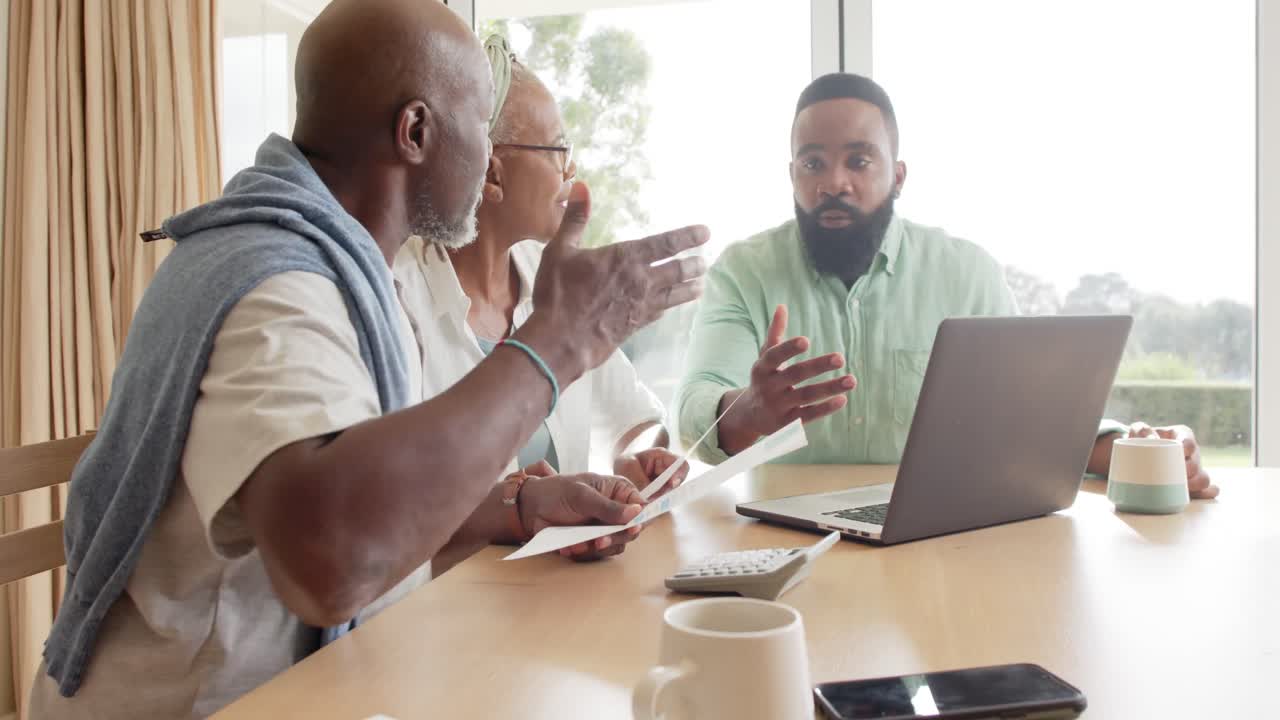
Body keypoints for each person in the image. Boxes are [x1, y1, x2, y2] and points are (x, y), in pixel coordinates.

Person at [31, 1, 708, 717]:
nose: (487, 160)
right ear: (416, 131)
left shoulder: (348, 272)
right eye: (481, 125)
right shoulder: (277, 287)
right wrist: (555, 346)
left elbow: (375, 503)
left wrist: (514, 506)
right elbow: (332, 561)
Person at [675, 72, 1217, 499]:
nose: (833, 182)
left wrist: (1137, 450)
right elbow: (694, 410)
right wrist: (747, 411)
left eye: (858, 160)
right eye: (812, 162)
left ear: (899, 175)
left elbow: (1030, 417)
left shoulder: (969, 274)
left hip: (933, 542)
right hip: (779, 537)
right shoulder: (742, 274)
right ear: (791, 173)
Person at [393, 36, 685, 531]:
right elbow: (390, 506)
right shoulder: (396, 295)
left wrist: (637, 456)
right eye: (558, 150)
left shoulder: (559, 280)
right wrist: (517, 506)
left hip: (550, 594)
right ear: (491, 170)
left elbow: (635, 418)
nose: (571, 170)